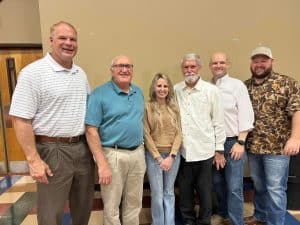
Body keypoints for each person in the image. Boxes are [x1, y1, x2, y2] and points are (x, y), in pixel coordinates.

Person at [9, 21, 95, 225]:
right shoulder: (32, 73)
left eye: (72, 39)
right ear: (51, 41)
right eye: (62, 38)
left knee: (83, 207)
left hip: (82, 148)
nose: (68, 43)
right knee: (51, 212)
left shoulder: (80, 74)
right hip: (52, 150)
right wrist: (33, 160)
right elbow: (20, 118)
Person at [85, 55, 146, 225]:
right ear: (111, 69)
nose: (124, 70)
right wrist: (102, 163)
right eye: (119, 66)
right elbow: (91, 130)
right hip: (112, 155)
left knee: (134, 203)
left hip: (137, 153)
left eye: (128, 66)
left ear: (132, 69)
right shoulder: (99, 94)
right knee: (112, 205)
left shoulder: (138, 92)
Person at [244, 46, 300, 225]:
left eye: (263, 60)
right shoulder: (245, 86)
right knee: (259, 185)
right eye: (256, 61)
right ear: (251, 63)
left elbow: (297, 111)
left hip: (278, 148)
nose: (259, 64)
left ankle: (275, 222)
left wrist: (295, 138)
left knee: (275, 188)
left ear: (271, 61)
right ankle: (260, 215)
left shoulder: (287, 83)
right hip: (253, 146)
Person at [174, 53, 226, 225]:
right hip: (183, 151)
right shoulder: (175, 90)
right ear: (182, 69)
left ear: (199, 68)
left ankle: (204, 221)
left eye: (192, 66)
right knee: (185, 192)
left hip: (205, 151)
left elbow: (218, 121)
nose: (189, 70)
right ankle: (188, 220)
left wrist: (219, 150)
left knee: (205, 192)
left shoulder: (211, 91)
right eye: (186, 67)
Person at [209, 52, 254, 225]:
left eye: (222, 62)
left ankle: (237, 221)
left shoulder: (237, 86)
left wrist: (240, 142)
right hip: (214, 144)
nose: (218, 65)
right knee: (217, 182)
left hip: (233, 142)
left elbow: (246, 115)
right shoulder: (207, 87)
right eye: (215, 63)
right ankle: (223, 213)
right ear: (210, 66)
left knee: (234, 186)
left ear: (228, 64)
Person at [144, 73, 182, 225]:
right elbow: (146, 134)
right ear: (154, 87)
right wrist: (158, 158)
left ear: (169, 89)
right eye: (159, 85)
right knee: (158, 194)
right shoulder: (147, 107)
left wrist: (172, 156)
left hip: (173, 156)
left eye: (165, 86)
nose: (162, 89)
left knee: (169, 192)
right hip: (154, 156)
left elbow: (180, 133)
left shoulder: (174, 107)